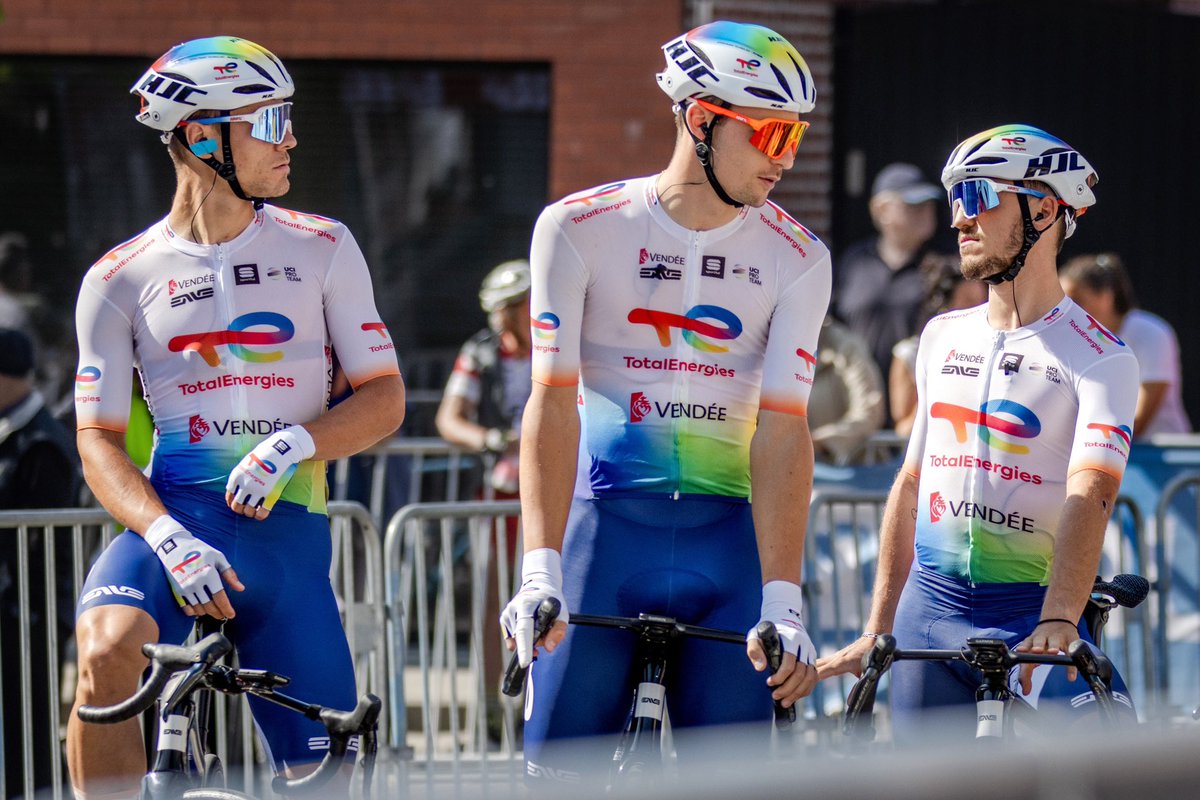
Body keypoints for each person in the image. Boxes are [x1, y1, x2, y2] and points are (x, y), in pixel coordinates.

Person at [67, 36, 405, 798]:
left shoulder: (323, 247)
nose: (290, 138)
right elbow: (96, 438)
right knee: (105, 650)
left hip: (286, 542)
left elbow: (385, 397)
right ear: (200, 136)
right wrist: (164, 536)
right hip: (180, 527)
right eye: (271, 119)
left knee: (328, 775)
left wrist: (297, 442)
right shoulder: (119, 277)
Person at [500, 20, 829, 783]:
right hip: (604, 534)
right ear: (703, 120)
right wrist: (540, 569)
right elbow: (549, 401)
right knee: (556, 776)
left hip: (728, 546)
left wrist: (784, 598)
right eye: (771, 135)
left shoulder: (800, 257)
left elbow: (784, 427)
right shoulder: (577, 228)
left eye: (797, 138)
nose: (786, 159)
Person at [817, 125, 1138, 734]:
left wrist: (1063, 617)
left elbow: (1092, 492)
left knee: (1114, 760)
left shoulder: (1101, 356)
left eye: (978, 196)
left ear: (1044, 208)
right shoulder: (941, 336)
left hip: (1032, 611)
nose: (959, 219)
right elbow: (911, 483)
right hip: (927, 611)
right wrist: (877, 626)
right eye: (954, 199)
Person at [0, 327, 80, 798]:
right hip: (17, 606)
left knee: (27, 721)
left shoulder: (40, 441)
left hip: (31, 610)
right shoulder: (19, 432)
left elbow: (37, 541)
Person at [835, 162, 943, 420]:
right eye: (912, 204)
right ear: (881, 210)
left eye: (928, 203)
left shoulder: (942, 265)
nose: (925, 211)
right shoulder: (853, 262)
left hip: (916, 413)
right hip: (855, 410)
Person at [1061, 253, 1191, 438]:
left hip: (1159, 459)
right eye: (1065, 302)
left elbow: (1139, 421)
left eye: (1077, 300)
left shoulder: (1151, 333)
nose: (1069, 310)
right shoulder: (1073, 338)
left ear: (1106, 296)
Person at [435, 259, 532, 495]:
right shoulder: (480, 353)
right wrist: (490, 439)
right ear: (504, 313)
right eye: (527, 304)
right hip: (498, 484)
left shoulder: (559, 349)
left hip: (558, 474)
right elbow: (448, 420)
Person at [889, 257, 988, 437]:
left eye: (982, 303)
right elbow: (903, 429)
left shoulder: (992, 351)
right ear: (943, 306)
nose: (979, 311)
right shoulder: (911, 353)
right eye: (968, 302)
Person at [807, 315, 885, 465]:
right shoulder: (765, 345)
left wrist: (818, 442)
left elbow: (869, 413)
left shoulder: (847, 346)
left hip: (850, 472)